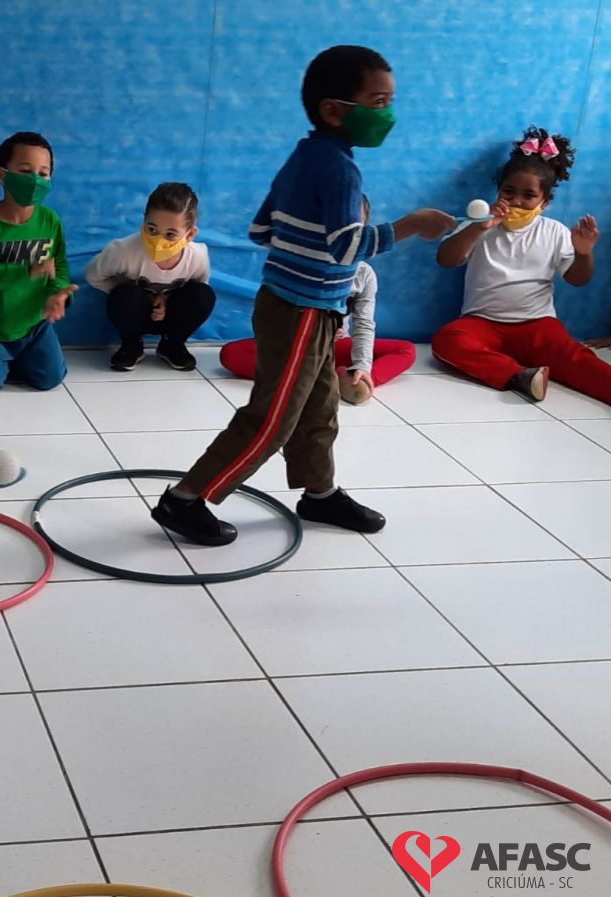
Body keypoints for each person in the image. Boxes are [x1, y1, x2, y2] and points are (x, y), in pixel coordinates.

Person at [150, 45, 454, 546]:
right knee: (272, 419)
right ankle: (184, 499)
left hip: (296, 304)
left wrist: (304, 243)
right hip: (302, 310)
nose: (388, 114)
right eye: (378, 103)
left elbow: (260, 229)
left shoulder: (305, 155)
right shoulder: (341, 170)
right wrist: (411, 225)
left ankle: (320, 493)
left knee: (319, 407)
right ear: (334, 110)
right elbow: (346, 247)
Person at [433, 126, 606, 403]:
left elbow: (577, 279)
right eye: (508, 192)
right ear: (498, 192)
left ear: (544, 202)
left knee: (575, 357)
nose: (516, 201)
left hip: (537, 324)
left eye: (528, 196)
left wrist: (583, 253)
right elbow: (446, 259)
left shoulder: (554, 231)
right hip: (482, 323)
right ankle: (520, 376)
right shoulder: (479, 225)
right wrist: (478, 227)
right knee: (447, 341)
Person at [219, 196, 416, 404]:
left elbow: (364, 324)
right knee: (232, 354)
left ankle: (356, 381)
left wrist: (362, 366)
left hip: (335, 347)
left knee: (406, 350)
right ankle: (315, 377)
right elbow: (272, 317)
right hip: (294, 349)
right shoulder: (296, 264)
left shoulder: (364, 274)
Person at [0, 131, 77, 392]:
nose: (35, 180)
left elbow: (57, 267)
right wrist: (25, 270)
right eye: (25, 171)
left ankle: (16, 359)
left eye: (43, 173)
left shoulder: (50, 220)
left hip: (35, 325)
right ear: (1, 174)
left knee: (51, 378)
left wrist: (58, 294)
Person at [85, 182, 215, 371]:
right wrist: (141, 296)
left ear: (189, 234)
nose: (158, 240)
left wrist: (166, 300)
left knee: (204, 294)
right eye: (152, 229)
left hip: (172, 316)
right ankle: (131, 345)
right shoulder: (123, 251)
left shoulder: (197, 256)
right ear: (144, 221)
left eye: (170, 234)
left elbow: (197, 291)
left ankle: (172, 344)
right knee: (125, 294)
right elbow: (93, 275)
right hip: (135, 314)